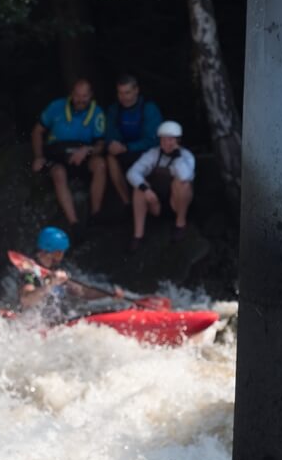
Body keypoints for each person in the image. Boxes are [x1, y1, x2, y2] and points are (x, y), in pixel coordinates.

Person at [31, 79, 107, 237]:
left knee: (100, 165)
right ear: (72, 94)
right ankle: (75, 224)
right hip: (58, 155)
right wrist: (38, 157)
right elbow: (37, 131)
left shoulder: (97, 113)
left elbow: (100, 145)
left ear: (91, 95)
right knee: (58, 173)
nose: (81, 100)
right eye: (77, 95)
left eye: (85, 96)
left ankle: (96, 215)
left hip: (83, 155)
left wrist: (87, 150)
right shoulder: (56, 107)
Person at [17, 226, 123, 313]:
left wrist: (109, 294)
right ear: (53, 252)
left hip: (56, 323)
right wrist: (50, 284)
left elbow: (82, 292)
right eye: (61, 252)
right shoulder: (29, 272)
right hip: (35, 327)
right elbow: (26, 300)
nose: (62, 255)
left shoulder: (57, 270)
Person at [126, 120, 196, 251]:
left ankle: (180, 224)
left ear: (177, 140)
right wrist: (145, 189)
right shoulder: (153, 154)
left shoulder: (186, 156)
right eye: (163, 140)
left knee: (183, 184)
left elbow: (185, 176)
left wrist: (177, 157)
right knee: (139, 189)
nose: (167, 143)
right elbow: (132, 172)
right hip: (156, 203)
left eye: (171, 140)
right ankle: (138, 236)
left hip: (175, 204)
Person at [104, 74, 163, 206]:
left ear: (136, 90)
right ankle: (127, 203)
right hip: (125, 150)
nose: (124, 97)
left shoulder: (149, 108)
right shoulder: (114, 109)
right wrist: (113, 145)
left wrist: (127, 147)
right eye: (120, 93)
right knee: (110, 157)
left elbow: (153, 140)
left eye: (127, 92)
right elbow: (109, 135)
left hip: (146, 151)